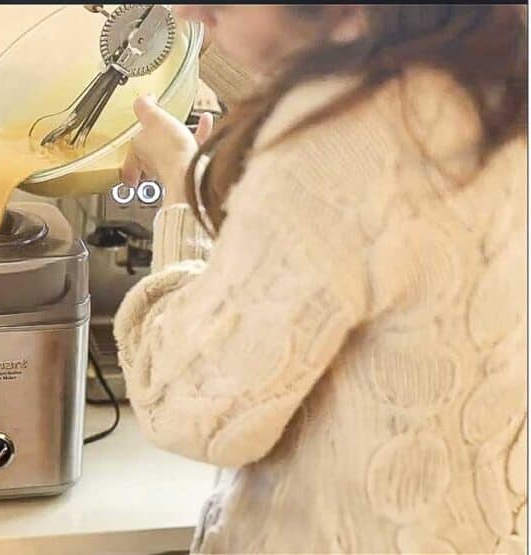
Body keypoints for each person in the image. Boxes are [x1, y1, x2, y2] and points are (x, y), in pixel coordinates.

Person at [116, 5, 528, 553]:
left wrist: (181, 188)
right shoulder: (490, 71)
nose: (188, 8)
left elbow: (191, 405)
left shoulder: (345, 132)